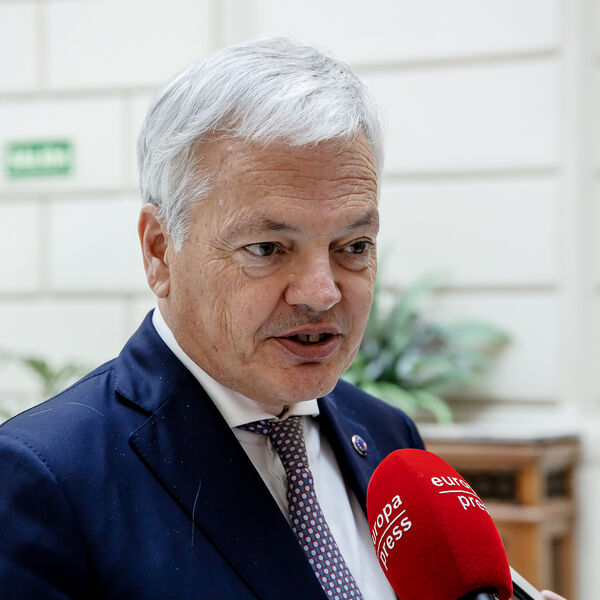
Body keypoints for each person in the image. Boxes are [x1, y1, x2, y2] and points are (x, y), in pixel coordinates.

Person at [0, 38, 566, 600]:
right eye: (268, 248)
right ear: (159, 250)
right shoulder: (43, 479)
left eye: (353, 246)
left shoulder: (388, 437)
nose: (321, 293)